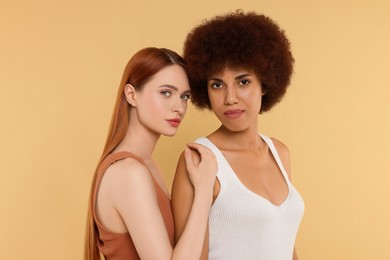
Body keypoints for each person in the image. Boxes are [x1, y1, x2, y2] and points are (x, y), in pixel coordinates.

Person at [171, 11, 304, 260]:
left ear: (264, 84)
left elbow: (286, 245)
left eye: (243, 82)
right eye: (217, 85)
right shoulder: (199, 159)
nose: (230, 98)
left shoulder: (280, 153)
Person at [84, 47, 217, 260]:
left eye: (185, 97)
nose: (179, 107)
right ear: (131, 95)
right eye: (166, 93)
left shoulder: (145, 165)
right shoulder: (128, 172)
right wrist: (204, 191)